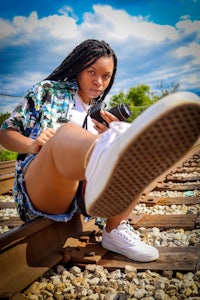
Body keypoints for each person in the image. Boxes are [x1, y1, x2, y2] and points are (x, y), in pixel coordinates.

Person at [0, 39, 200, 263]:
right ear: (78, 68)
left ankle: (115, 230)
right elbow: (5, 132)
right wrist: (30, 144)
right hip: (41, 188)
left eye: (106, 76)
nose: (99, 82)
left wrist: (107, 133)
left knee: (126, 143)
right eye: (91, 72)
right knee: (66, 133)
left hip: (79, 196)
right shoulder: (48, 91)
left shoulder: (99, 111)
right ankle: (109, 151)